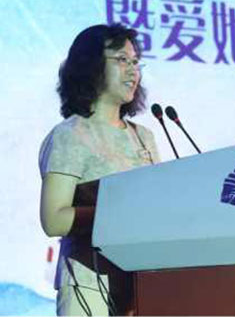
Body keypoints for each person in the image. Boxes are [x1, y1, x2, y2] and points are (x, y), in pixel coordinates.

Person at [39, 24, 160, 316]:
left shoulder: (144, 136)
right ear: (90, 66)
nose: (133, 71)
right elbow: (53, 220)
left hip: (141, 283)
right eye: (122, 60)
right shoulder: (70, 135)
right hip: (88, 284)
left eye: (135, 62)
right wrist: (116, 214)